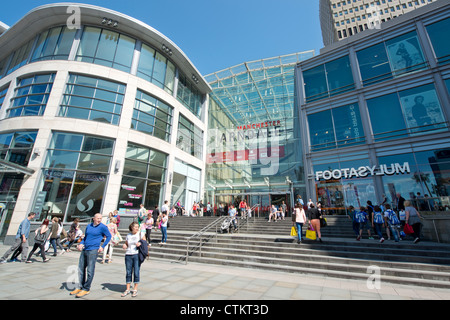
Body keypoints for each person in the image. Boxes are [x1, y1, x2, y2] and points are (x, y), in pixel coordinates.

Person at [70, 213, 111, 298]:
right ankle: (80, 286)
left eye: (100, 218)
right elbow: (86, 237)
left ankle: (86, 288)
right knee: (81, 269)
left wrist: (102, 246)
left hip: (93, 250)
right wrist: (81, 243)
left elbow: (109, 236)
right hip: (85, 249)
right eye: (98, 218)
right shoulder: (89, 226)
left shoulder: (103, 227)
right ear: (93, 218)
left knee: (90, 270)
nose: (99, 220)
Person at [121, 222, 142, 298]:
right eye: (135, 227)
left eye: (138, 227)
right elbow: (126, 243)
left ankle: (135, 289)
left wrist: (140, 244)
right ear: (132, 227)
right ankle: (127, 289)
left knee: (136, 271)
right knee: (128, 272)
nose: (137, 228)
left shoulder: (140, 234)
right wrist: (124, 245)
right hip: (128, 255)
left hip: (136, 254)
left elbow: (145, 242)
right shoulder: (128, 235)